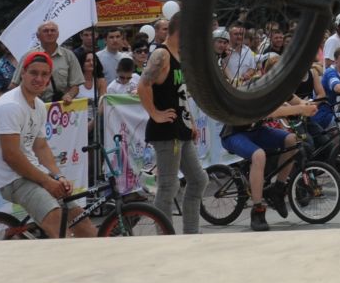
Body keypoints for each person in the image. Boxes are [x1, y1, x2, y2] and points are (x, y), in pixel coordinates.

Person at [0, 50, 95, 237]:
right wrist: (47, 181)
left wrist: (58, 176)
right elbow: (11, 156)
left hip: (33, 172)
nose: (39, 78)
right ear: (23, 73)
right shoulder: (10, 107)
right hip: (13, 178)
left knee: (81, 221)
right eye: (34, 73)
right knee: (60, 227)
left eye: (44, 74)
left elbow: (41, 147)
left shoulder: (37, 105)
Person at [136, 31, 205, 234]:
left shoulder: (178, 55)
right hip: (166, 131)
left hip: (180, 129)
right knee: (168, 186)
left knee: (199, 180)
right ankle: (166, 236)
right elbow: (142, 85)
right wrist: (155, 113)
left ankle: (191, 232)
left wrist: (190, 122)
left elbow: (181, 94)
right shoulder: (162, 54)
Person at [219, 92, 318, 232]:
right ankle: (257, 209)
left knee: (291, 140)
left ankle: (278, 189)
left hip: (257, 130)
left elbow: (297, 101)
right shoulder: (261, 85)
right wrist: (301, 109)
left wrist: (308, 105)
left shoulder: (282, 86)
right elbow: (273, 111)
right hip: (234, 134)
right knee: (259, 156)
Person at [33, 22, 83, 101]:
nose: (49, 33)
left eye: (53, 30)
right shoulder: (29, 56)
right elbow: (14, 85)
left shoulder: (69, 55)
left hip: (61, 107)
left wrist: (69, 95)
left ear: (58, 34)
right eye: (45, 31)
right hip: (34, 107)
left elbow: (76, 86)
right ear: (38, 36)